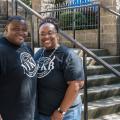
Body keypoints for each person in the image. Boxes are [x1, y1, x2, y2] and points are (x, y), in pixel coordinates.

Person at [34, 17, 84, 120]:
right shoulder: (38, 54)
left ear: (57, 35)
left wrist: (61, 111)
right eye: (42, 34)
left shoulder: (68, 55)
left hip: (65, 114)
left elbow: (76, 84)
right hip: (43, 113)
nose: (46, 36)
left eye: (50, 32)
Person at [0, 16, 38, 120]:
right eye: (16, 28)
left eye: (24, 30)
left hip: (30, 113)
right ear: (6, 28)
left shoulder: (26, 47)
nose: (21, 32)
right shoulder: (2, 50)